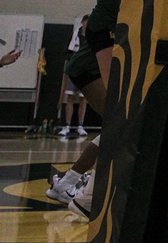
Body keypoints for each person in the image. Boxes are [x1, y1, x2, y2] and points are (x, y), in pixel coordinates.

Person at [70, 0, 131, 217]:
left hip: (113, 30)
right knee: (121, 121)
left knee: (123, 121)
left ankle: (75, 184)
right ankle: (85, 194)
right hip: (106, 29)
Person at [45, 15, 105, 211]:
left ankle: (67, 184)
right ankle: (84, 196)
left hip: (88, 68)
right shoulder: (114, 6)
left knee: (116, 130)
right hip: (88, 68)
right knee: (120, 127)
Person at [58, 17, 89, 137]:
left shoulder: (92, 37)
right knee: (69, 96)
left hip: (86, 72)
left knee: (83, 98)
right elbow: (67, 53)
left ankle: (80, 126)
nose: (87, 25)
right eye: (85, 23)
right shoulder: (75, 36)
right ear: (82, 23)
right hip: (74, 70)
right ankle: (67, 125)